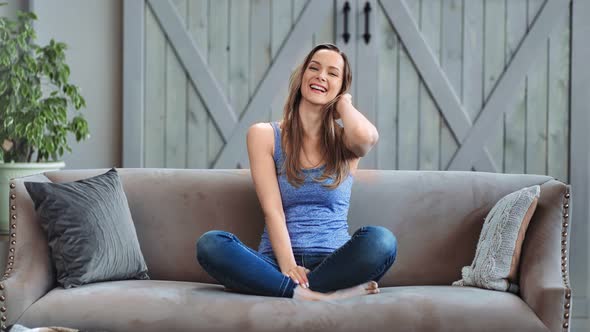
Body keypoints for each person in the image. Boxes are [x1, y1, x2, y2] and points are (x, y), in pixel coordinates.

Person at [196, 43, 397, 301]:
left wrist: (344, 103)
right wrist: (289, 267)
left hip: (336, 262)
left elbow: (367, 137)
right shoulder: (264, 135)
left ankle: (292, 292)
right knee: (211, 244)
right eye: (314, 68)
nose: (321, 76)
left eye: (332, 73)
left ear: (340, 88)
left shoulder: (347, 142)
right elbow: (273, 210)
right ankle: (313, 295)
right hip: (276, 263)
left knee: (382, 240)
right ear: (302, 76)